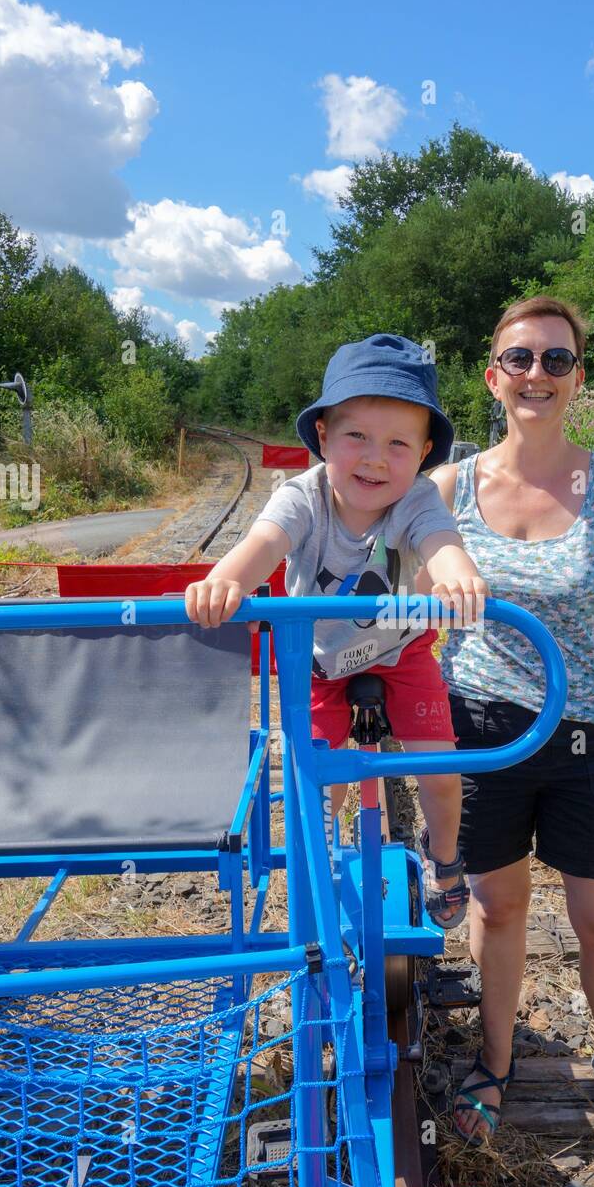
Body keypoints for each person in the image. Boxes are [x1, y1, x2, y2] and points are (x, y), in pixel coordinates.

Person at [420, 296, 594, 1150]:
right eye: (522, 359)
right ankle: (495, 1063)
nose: (539, 374)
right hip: (486, 736)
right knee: (498, 912)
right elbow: (390, 598)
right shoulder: (448, 488)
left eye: (557, 360)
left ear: (575, 380)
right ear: (494, 377)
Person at [184, 333, 487, 928]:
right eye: (357, 437)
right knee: (321, 781)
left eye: (398, 444)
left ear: (425, 452)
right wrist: (227, 580)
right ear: (323, 437)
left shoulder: (418, 499)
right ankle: (321, 856)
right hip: (319, 662)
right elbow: (264, 541)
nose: (375, 458)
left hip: (401, 651)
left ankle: (443, 856)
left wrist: (458, 574)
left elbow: (440, 541)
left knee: (441, 770)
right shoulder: (304, 496)